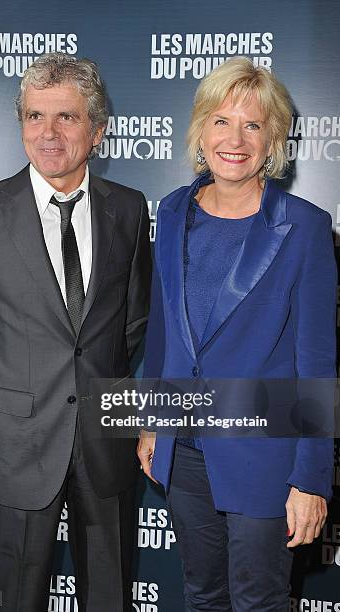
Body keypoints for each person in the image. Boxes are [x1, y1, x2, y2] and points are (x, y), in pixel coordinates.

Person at [0, 52, 151, 612]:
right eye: (34, 117)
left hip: (105, 444)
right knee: (20, 598)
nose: (48, 134)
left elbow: (132, 324)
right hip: (19, 445)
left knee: (110, 597)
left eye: (67, 118)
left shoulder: (128, 209)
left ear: (97, 131)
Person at [137, 57, 336, 611]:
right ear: (201, 130)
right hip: (187, 452)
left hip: (265, 453)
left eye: (254, 124)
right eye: (222, 120)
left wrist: (312, 479)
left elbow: (318, 360)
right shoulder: (174, 211)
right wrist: (154, 424)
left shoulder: (306, 227)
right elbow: (162, 330)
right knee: (203, 595)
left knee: (258, 600)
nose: (236, 138)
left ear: (273, 139)